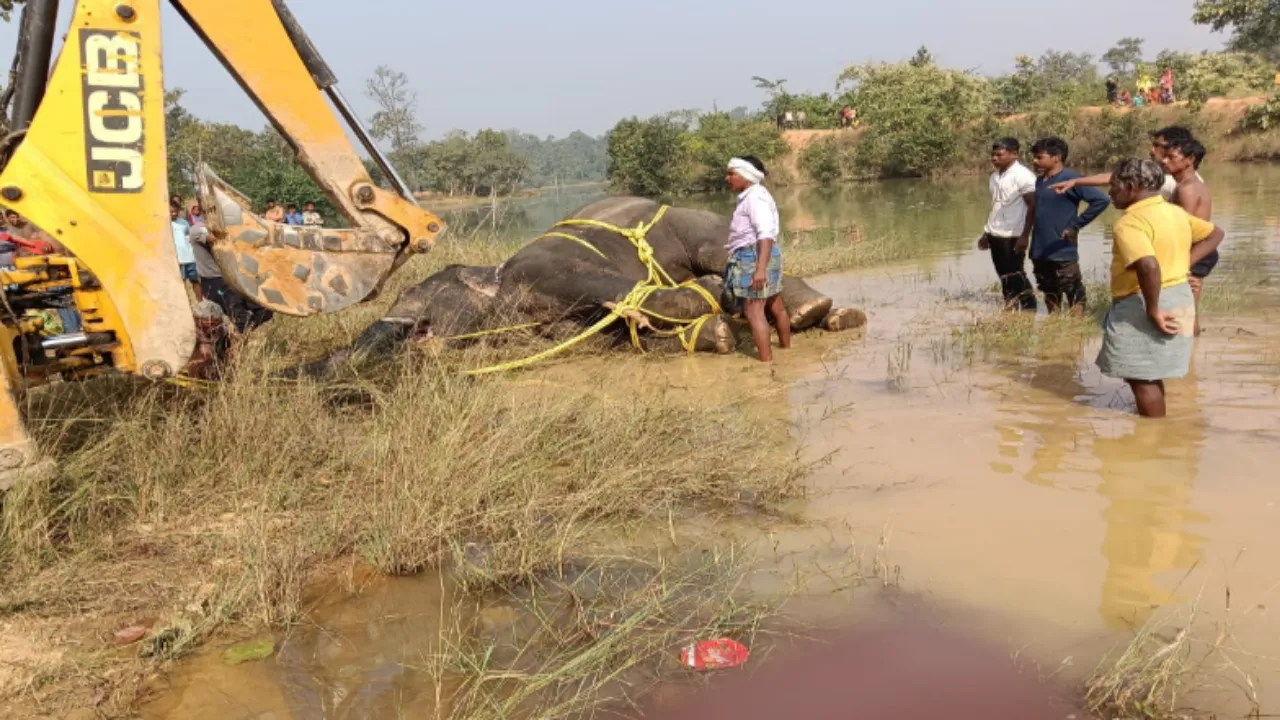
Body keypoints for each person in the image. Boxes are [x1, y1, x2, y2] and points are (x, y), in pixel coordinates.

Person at [1098, 158, 1223, 418]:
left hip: (1145, 299)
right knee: (1151, 372)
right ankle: (1159, 432)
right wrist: (1183, 265)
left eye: (1113, 186)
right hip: (1180, 295)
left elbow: (1148, 265)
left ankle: (1152, 440)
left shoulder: (1129, 222)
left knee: (1141, 377)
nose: (1110, 193)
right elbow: (1215, 234)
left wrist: (1153, 309)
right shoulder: (1174, 212)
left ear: (1131, 187)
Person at [1029, 137, 1111, 314]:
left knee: (1072, 287)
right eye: (1034, 157)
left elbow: (1101, 200)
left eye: (1039, 157)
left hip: (1062, 246)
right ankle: (1055, 324)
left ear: (1056, 157)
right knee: (1048, 287)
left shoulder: (1071, 179)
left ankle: (1077, 329)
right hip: (1040, 247)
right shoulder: (1040, 181)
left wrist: (1075, 225)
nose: (1035, 161)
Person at [724, 155, 791, 363]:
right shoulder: (754, 195)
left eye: (731, 173)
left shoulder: (754, 199)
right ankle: (787, 351)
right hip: (763, 254)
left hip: (754, 257)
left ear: (746, 175)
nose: (727, 178)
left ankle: (766, 364)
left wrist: (759, 269)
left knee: (754, 312)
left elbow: (765, 234)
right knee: (775, 306)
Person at [1160, 136, 1215, 335]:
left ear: (1190, 159)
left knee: (1184, 308)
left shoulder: (1187, 189)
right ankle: (1192, 354)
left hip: (1193, 249)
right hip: (1199, 248)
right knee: (1188, 309)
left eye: (1171, 157)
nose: (1164, 161)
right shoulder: (1187, 185)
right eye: (1164, 157)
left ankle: (1189, 354)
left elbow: (1183, 228)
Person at [978, 138, 1037, 311]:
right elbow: (996, 205)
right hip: (996, 233)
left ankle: (1029, 309)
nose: (994, 158)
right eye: (993, 155)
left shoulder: (1023, 176)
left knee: (1015, 274)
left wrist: (1025, 236)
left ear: (1014, 154)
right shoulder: (995, 176)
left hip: (1014, 234)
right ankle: (1010, 307)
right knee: (1004, 275)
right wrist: (986, 233)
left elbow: (1033, 206)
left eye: (999, 155)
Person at [189, 224, 274, 334]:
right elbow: (214, 239)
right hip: (215, 281)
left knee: (264, 310)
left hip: (234, 277)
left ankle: (241, 335)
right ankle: (235, 344)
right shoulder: (198, 229)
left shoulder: (227, 226)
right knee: (239, 316)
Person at [171, 204, 202, 301]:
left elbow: (189, 237)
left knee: (195, 281)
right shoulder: (166, 224)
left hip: (189, 257)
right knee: (181, 283)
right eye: (171, 211)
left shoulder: (184, 223)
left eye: (176, 211)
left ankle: (201, 303)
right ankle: (184, 304)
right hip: (178, 259)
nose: (174, 213)